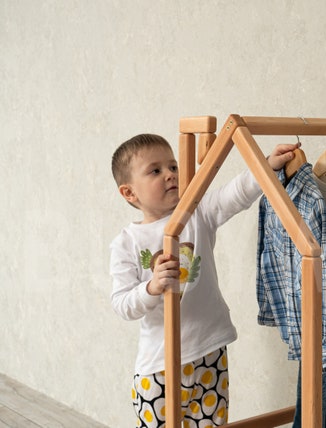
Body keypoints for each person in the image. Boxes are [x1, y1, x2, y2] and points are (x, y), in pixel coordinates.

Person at [110, 133, 299, 427]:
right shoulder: (127, 242)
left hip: (210, 352)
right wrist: (151, 287)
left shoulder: (196, 213)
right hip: (159, 368)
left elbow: (234, 194)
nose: (170, 175)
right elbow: (122, 304)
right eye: (156, 170)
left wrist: (268, 166)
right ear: (129, 193)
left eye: (173, 166)